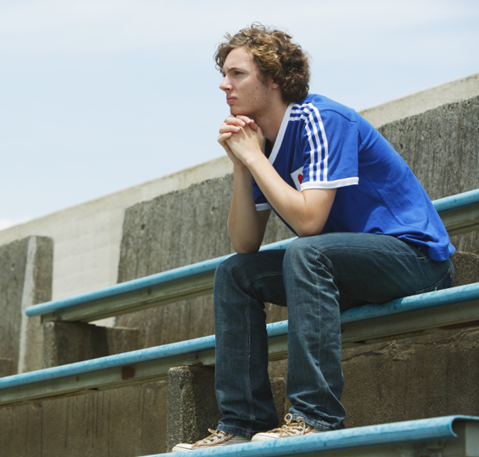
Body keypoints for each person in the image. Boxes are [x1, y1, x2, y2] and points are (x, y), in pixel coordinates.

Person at [173, 23, 454, 452]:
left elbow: (309, 223)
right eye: (224, 74)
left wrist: (253, 157)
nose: (223, 85)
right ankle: (243, 420)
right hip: (342, 270)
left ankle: (315, 416)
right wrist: (241, 163)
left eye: (237, 74)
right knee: (235, 273)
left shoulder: (321, 118)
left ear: (275, 79)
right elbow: (245, 244)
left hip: (414, 259)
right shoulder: (261, 144)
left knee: (306, 251)